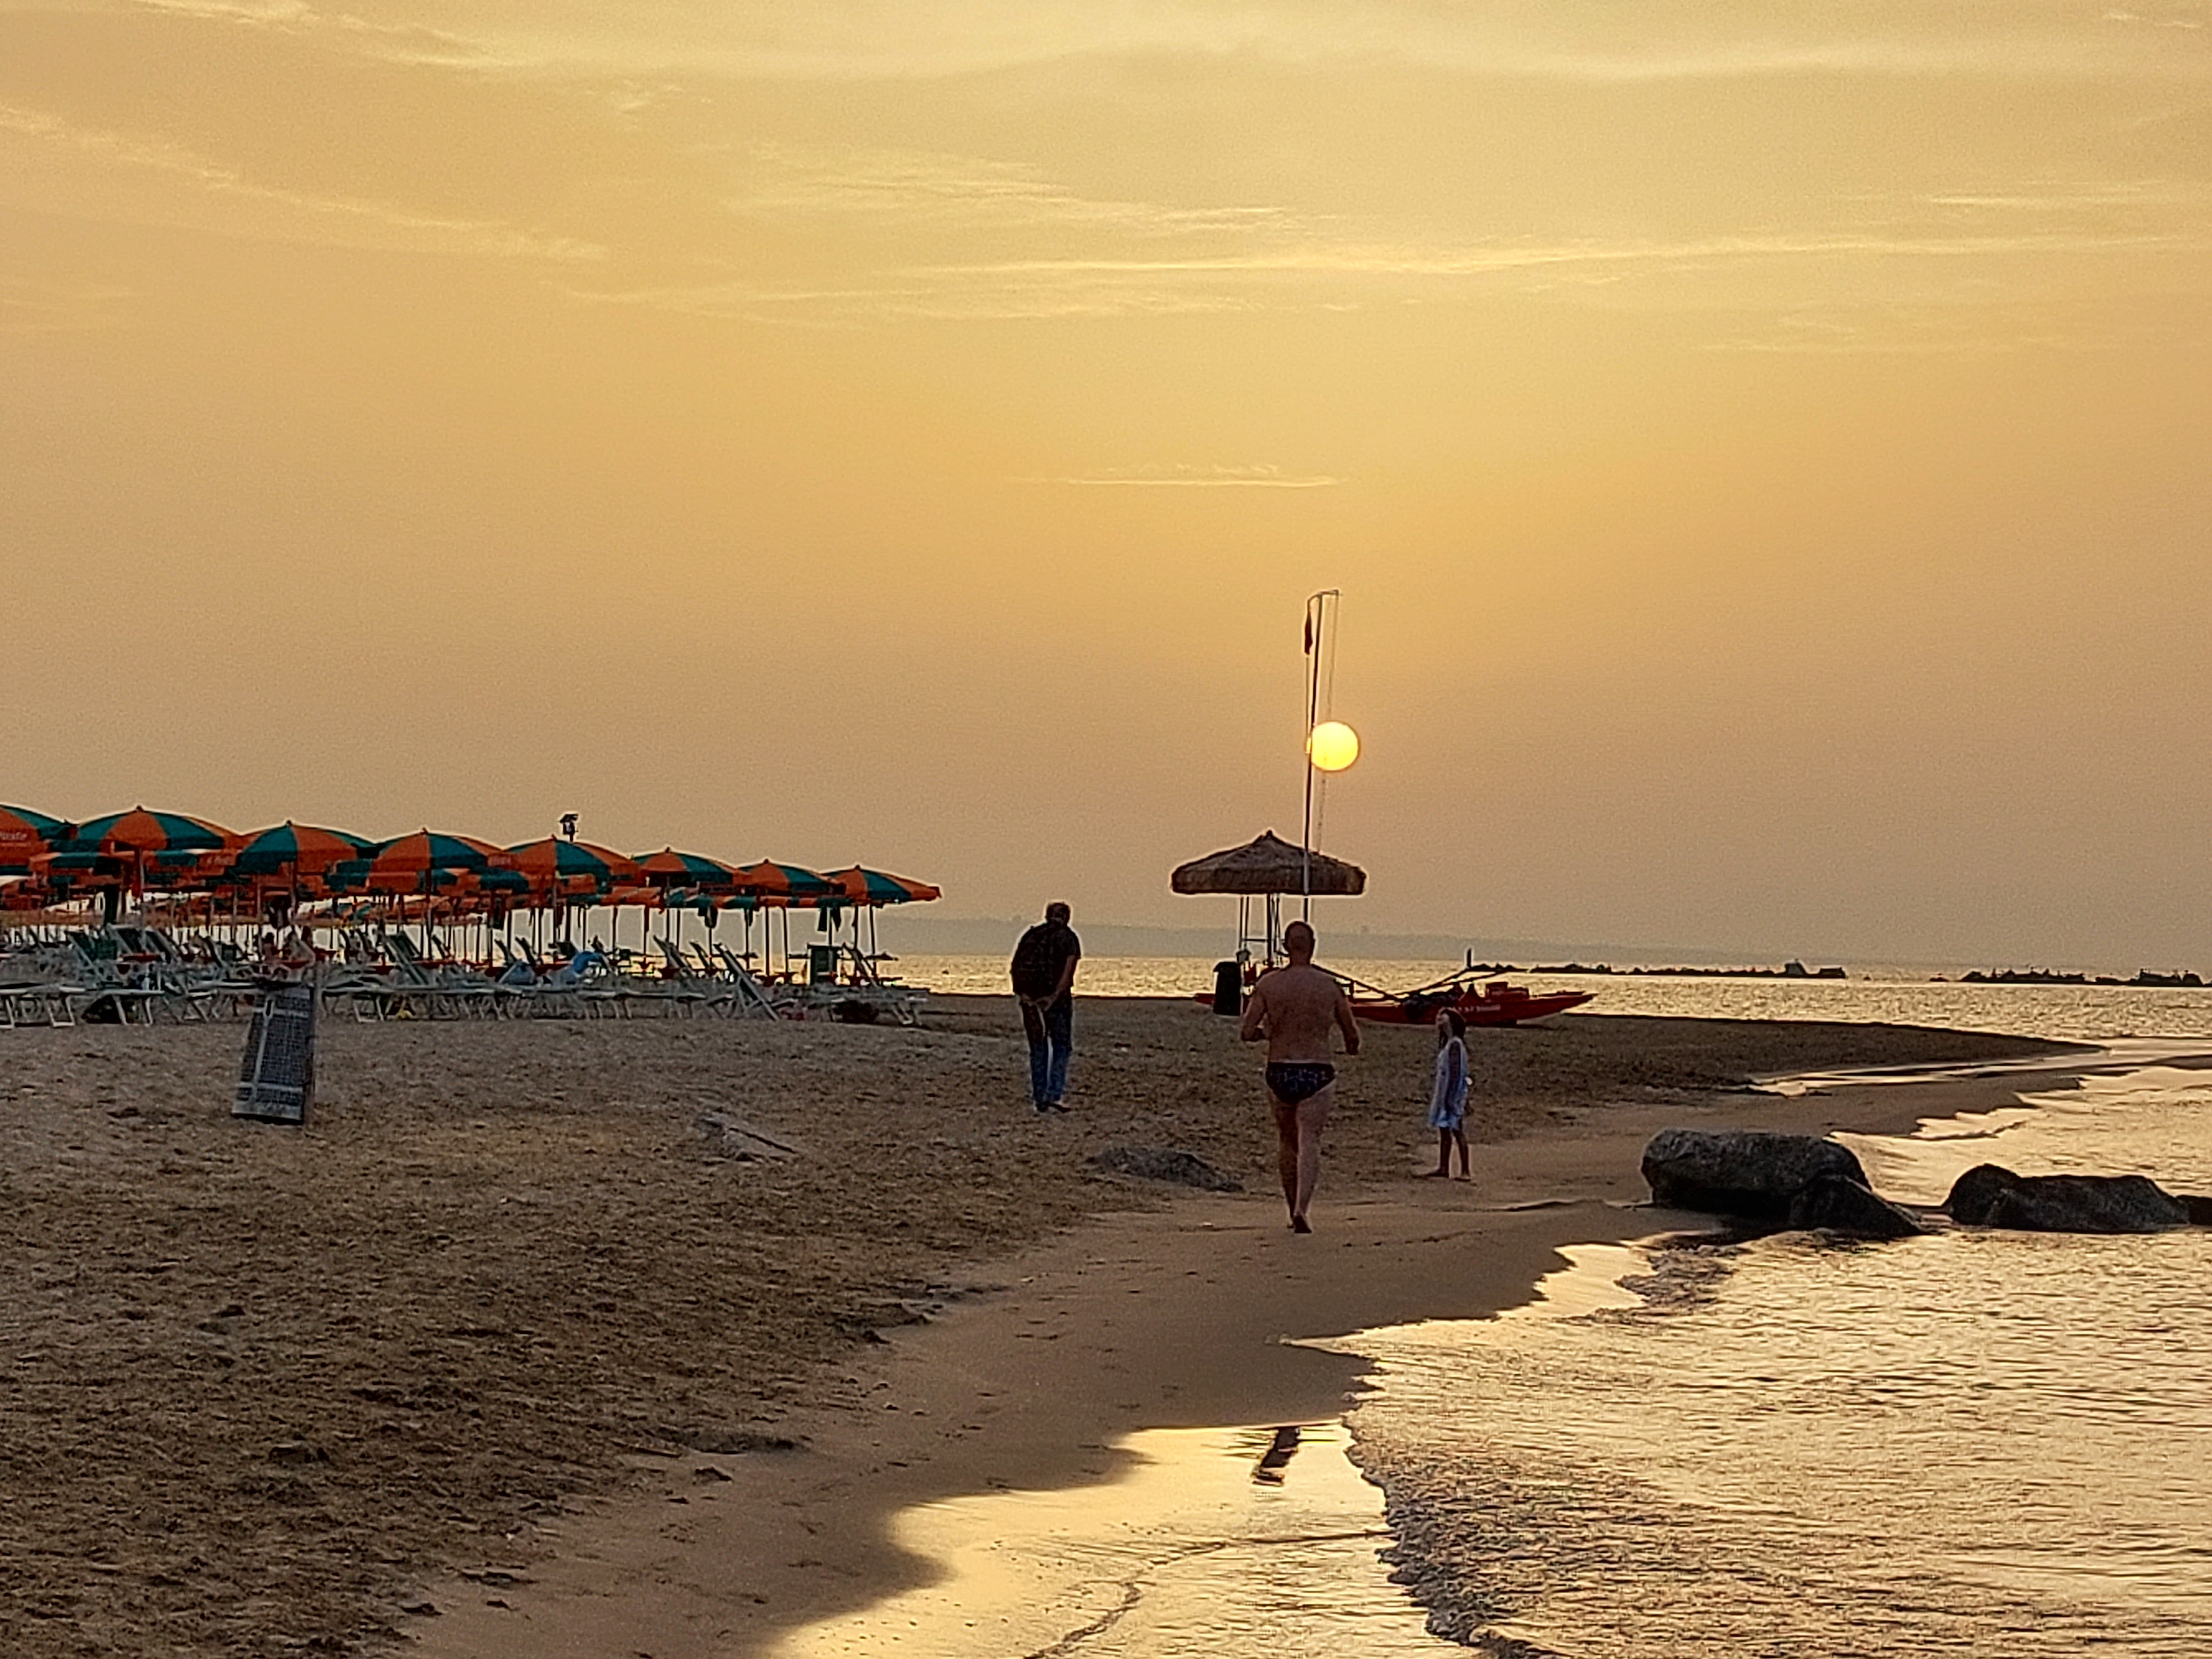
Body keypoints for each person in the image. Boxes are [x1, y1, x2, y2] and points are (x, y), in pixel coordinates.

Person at [1239, 919, 1361, 1232]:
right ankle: (1302, 1208)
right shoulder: (1328, 985)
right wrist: (1348, 1046)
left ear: (1284, 946)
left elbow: (1246, 1030)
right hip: (1316, 1069)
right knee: (1310, 1140)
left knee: (1287, 1140)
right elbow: (1352, 1034)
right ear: (1313, 946)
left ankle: (1290, 1203)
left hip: (1280, 1068)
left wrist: (1268, 1034)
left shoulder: (1269, 984)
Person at [1009, 901, 1082, 1113]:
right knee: (1061, 1046)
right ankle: (1054, 1094)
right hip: (1056, 1000)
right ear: (1067, 917)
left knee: (1038, 1048)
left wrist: (1024, 995)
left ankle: (1040, 1097)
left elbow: (1015, 966)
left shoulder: (1032, 935)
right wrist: (1053, 997)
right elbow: (1068, 973)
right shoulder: (1068, 938)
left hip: (1030, 998)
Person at [1426, 1007, 1470, 1180]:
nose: (1438, 1018)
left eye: (1442, 1016)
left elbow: (1455, 1071)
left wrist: (1451, 1097)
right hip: (1445, 1091)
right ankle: (1443, 1167)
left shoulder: (1455, 1045)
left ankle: (1465, 1170)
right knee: (1445, 1130)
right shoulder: (1449, 1044)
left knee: (1457, 1130)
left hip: (1453, 1093)